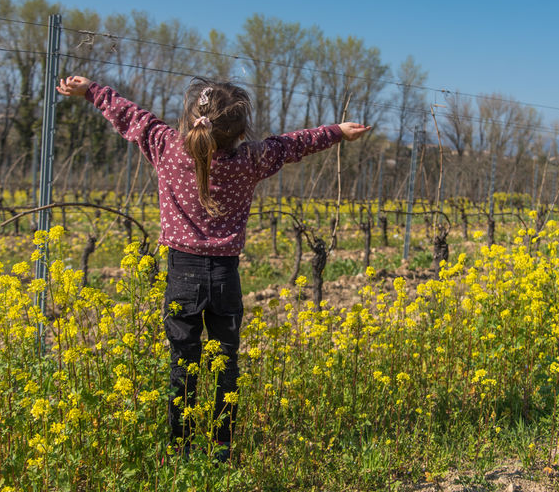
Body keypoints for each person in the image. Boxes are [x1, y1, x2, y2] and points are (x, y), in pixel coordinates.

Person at [56, 75, 370, 460]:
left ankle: (182, 446)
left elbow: (130, 116)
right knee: (226, 362)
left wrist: (90, 90)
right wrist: (337, 131)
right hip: (226, 276)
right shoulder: (251, 159)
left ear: (190, 118)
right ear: (240, 132)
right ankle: (222, 446)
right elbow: (292, 145)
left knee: (182, 363)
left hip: (182, 273)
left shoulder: (167, 148)